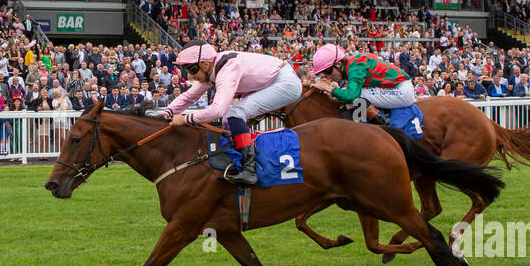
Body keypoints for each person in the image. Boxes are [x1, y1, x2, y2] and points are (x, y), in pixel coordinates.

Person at [162, 43, 301, 186]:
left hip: (285, 83)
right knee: (232, 114)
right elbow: (189, 96)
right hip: (277, 79)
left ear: (205, 64)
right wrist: (169, 111)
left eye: (191, 69)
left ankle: (249, 169)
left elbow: (218, 110)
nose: (190, 75)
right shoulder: (213, 68)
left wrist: (185, 119)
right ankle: (241, 159)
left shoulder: (226, 70)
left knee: (234, 112)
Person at [309, 44, 416, 120]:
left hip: (402, 90)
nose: (327, 77)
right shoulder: (351, 64)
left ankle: (381, 126)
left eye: (327, 71)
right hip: (392, 88)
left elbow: (351, 96)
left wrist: (329, 89)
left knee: (357, 95)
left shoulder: (355, 68)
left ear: (338, 64)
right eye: (322, 73)